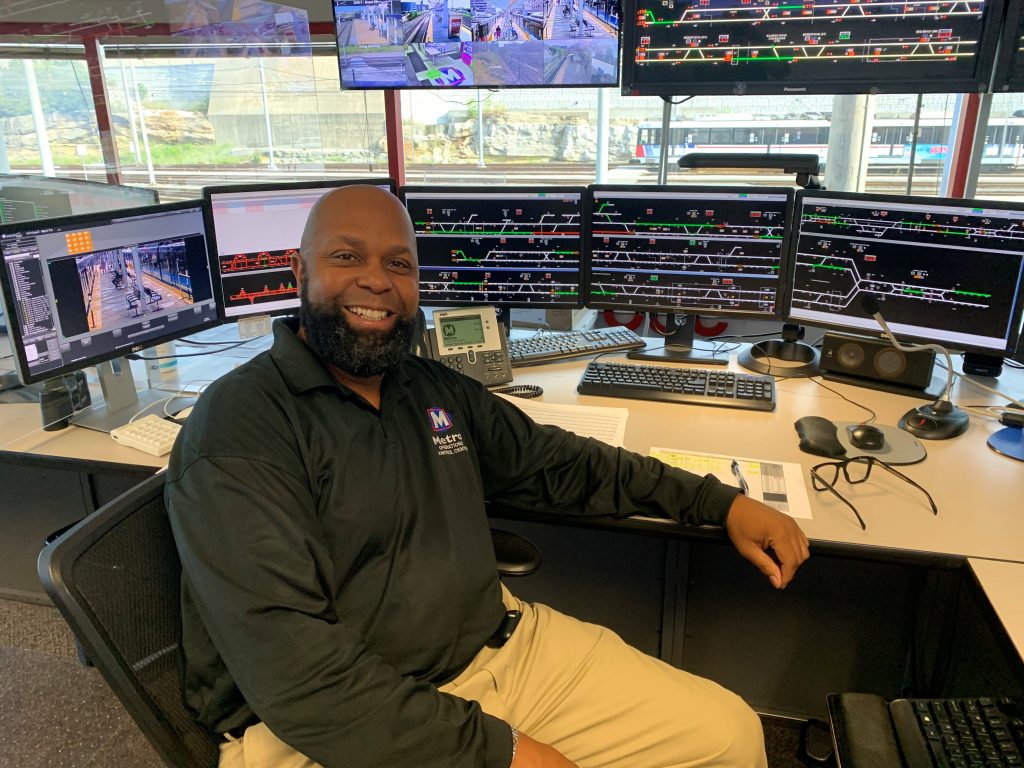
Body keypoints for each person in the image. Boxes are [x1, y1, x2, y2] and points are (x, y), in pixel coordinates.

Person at [166, 185, 810, 768]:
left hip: (497, 652)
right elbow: (300, 676)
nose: (377, 281)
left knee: (730, 736)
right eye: (346, 257)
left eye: (399, 264)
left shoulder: (427, 388)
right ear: (299, 273)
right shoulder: (240, 428)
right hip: (329, 723)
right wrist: (501, 755)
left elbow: (561, 462)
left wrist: (717, 503)